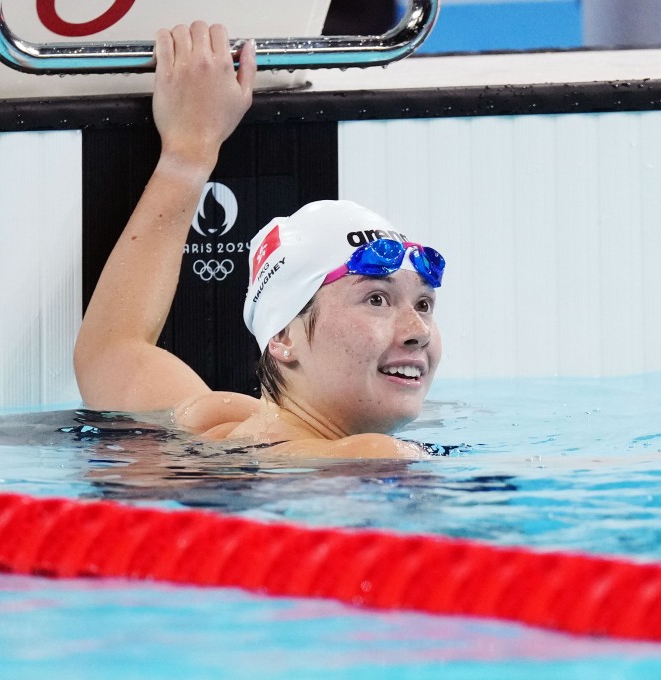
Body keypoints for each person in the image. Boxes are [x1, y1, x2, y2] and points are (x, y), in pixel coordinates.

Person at [74, 21, 445, 459]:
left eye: (423, 304)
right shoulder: (374, 457)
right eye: (377, 299)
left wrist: (188, 153)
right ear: (284, 335)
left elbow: (109, 349)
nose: (418, 332)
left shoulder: (211, 424)